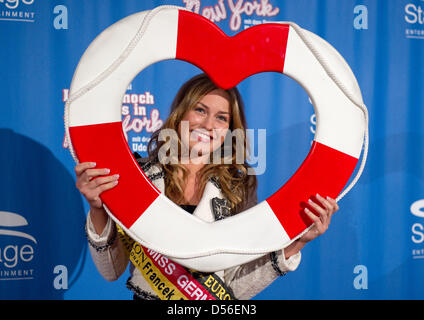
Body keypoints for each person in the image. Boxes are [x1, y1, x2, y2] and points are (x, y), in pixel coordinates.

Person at [75, 73, 339, 300]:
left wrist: (297, 243)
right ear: (181, 113)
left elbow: (235, 285)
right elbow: (111, 271)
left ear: (230, 129)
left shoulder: (239, 186)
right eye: (200, 110)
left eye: (222, 118)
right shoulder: (138, 176)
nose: (209, 125)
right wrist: (98, 208)